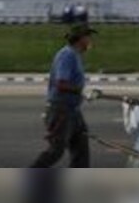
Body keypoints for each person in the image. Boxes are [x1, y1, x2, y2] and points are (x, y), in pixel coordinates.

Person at [31, 24, 96, 168]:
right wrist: (82, 91)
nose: (91, 40)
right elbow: (61, 83)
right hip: (61, 111)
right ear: (80, 39)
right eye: (88, 37)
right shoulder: (67, 55)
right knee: (55, 151)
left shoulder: (76, 55)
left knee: (81, 150)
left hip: (73, 111)